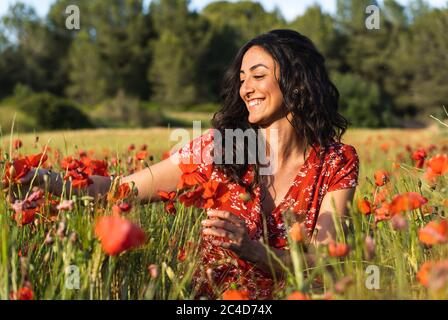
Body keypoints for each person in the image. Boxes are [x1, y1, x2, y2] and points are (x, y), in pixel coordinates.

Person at [13, 29, 359, 299]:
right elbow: (121, 190)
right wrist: (41, 176)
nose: (246, 89)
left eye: (257, 75)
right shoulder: (218, 150)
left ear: (296, 80)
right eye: (241, 79)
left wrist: (253, 250)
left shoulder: (335, 162)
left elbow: (325, 262)